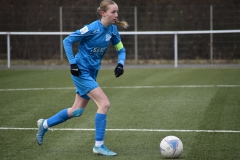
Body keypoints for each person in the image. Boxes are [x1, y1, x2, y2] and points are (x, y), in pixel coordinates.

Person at [36, 0, 128, 156]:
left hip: (92, 72)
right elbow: (67, 40)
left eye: (117, 12)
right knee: (104, 104)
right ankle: (98, 145)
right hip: (81, 71)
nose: (116, 15)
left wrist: (121, 63)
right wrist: (72, 63)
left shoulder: (113, 30)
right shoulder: (92, 28)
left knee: (77, 110)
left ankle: (44, 124)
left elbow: (121, 49)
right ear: (103, 13)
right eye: (113, 12)